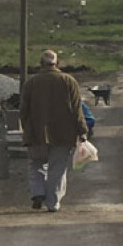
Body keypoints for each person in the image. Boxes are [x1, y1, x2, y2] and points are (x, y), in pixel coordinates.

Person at [19, 50, 87, 213]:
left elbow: (23, 110)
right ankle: (53, 202)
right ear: (57, 64)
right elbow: (77, 110)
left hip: (37, 133)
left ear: (41, 64)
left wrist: (27, 129)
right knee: (57, 168)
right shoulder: (68, 81)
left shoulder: (31, 83)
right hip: (63, 134)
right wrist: (82, 131)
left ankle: (37, 193)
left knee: (36, 164)